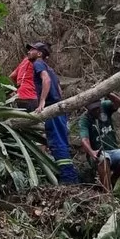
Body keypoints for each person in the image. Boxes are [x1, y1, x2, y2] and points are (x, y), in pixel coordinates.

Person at [27, 41, 78, 184]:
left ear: (39, 54)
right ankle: (71, 177)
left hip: (52, 110)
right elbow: (59, 89)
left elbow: (46, 80)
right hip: (59, 109)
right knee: (61, 142)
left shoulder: (38, 64)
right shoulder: (51, 69)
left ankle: (69, 180)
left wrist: (42, 101)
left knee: (57, 143)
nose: (28, 52)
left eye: (32, 50)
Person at [79, 93, 120, 191]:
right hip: (99, 153)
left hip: (113, 150)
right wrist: (92, 152)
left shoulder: (105, 106)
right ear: (88, 109)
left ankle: (113, 179)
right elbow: (84, 139)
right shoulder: (85, 119)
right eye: (93, 109)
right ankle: (107, 192)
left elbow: (119, 103)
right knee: (104, 159)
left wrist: (108, 93)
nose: (97, 111)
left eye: (97, 108)